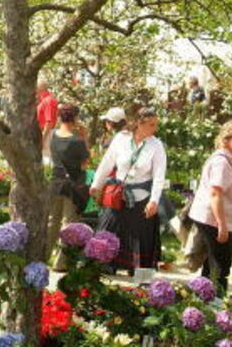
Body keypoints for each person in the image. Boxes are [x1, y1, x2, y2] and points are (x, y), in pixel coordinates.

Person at [91, 107, 167, 274]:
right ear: (139, 124)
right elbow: (107, 162)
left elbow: (159, 176)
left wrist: (154, 200)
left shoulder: (156, 145)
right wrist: (96, 184)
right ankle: (103, 271)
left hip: (141, 198)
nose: (155, 129)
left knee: (142, 238)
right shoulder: (121, 139)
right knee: (108, 231)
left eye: (156, 124)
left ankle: (141, 277)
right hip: (118, 196)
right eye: (151, 125)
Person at [188, 119, 232, 295]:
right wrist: (221, 224)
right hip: (214, 220)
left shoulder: (229, 159)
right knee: (221, 264)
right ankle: (216, 303)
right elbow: (215, 193)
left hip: (218, 219)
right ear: (226, 138)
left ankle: (203, 299)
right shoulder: (221, 161)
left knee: (212, 263)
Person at [46, 104, 90, 271]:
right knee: (68, 223)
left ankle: (44, 255)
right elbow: (86, 162)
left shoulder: (53, 136)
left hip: (55, 182)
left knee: (52, 221)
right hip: (72, 185)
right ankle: (61, 261)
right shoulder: (77, 141)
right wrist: (85, 136)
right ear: (74, 118)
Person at [36, 77, 59, 162]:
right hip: (47, 131)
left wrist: (43, 137)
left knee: (47, 158)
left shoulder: (47, 100)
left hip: (47, 133)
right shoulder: (46, 99)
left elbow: (48, 122)